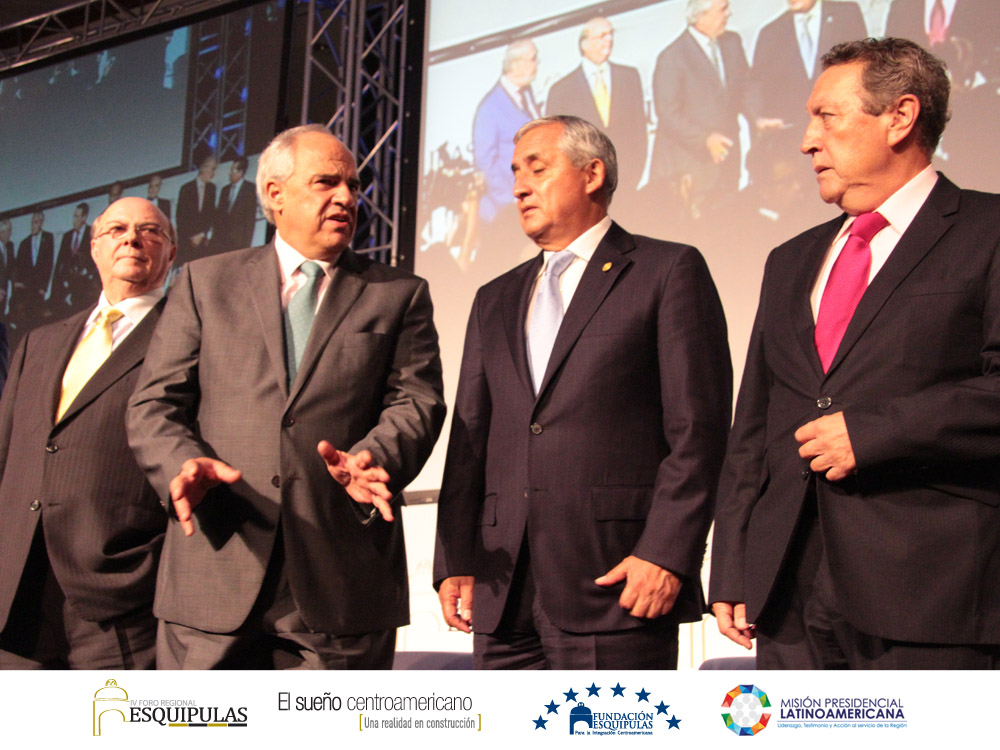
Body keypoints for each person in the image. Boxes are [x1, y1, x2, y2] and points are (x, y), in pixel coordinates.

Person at [709, 38, 1000, 668]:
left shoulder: (989, 231)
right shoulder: (789, 260)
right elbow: (754, 423)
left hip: (933, 589)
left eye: (826, 117)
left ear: (900, 117)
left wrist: (872, 433)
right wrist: (733, 560)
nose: (807, 141)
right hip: (787, 592)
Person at [127, 124, 446, 670]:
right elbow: (154, 403)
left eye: (353, 185)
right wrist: (181, 462)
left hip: (341, 578)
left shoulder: (398, 294)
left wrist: (375, 456)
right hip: (217, 565)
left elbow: (417, 400)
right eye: (327, 182)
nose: (347, 197)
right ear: (275, 194)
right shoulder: (206, 282)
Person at [433, 115, 731, 669]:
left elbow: (700, 430)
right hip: (502, 588)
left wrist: (666, 553)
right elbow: (470, 437)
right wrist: (455, 559)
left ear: (592, 174)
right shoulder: (494, 297)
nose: (518, 187)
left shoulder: (667, 270)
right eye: (514, 172)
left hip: (617, 581)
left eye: (536, 169)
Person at [0, 197, 175, 669]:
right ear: (94, 247)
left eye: (149, 230)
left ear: (172, 252)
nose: (131, 239)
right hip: (17, 590)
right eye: (116, 229)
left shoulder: (189, 335)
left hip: (120, 594)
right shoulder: (39, 342)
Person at [649, 0, 774, 217]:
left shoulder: (732, 42)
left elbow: (745, 85)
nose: (729, 13)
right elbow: (668, 114)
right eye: (723, 9)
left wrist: (757, 118)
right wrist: (705, 139)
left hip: (729, 158)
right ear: (702, 15)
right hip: (693, 165)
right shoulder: (672, 56)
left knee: (730, 220)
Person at [749, 1, 867, 187]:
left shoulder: (846, 15)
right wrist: (758, 118)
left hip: (842, 135)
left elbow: (863, 70)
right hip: (794, 148)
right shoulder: (771, 32)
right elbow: (756, 84)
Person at [545, 17, 647, 194]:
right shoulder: (561, 90)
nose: (609, 40)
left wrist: (634, 174)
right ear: (584, 44)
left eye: (611, 34)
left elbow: (639, 130)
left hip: (627, 184)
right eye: (602, 35)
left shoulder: (629, 77)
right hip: (583, 188)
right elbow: (556, 143)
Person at [473, 39, 540, 226]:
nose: (536, 66)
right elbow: (485, 162)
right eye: (533, 59)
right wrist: (510, 201)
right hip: (503, 216)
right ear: (516, 65)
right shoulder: (489, 107)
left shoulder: (526, 94)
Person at [174, 155, 217, 267]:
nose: (213, 173)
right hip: (186, 243)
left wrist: (202, 235)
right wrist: (191, 237)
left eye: (214, 169)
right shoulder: (186, 189)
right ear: (203, 167)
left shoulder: (212, 189)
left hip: (202, 245)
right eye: (212, 169)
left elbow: (210, 216)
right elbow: (180, 217)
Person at [53, 202, 98, 309]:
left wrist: (87, 273)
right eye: (74, 216)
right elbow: (61, 261)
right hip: (67, 284)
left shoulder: (91, 233)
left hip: (85, 285)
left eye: (77, 216)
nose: (74, 220)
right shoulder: (67, 236)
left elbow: (96, 257)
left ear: (84, 217)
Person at [212, 157, 257, 253]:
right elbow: (219, 217)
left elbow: (250, 220)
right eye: (231, 170)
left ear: (240, 172)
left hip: (238, 243)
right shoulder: (225, 190)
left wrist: (246, 247)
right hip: (222, 242)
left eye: (233, 170)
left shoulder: (250, 189)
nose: (230, 173)